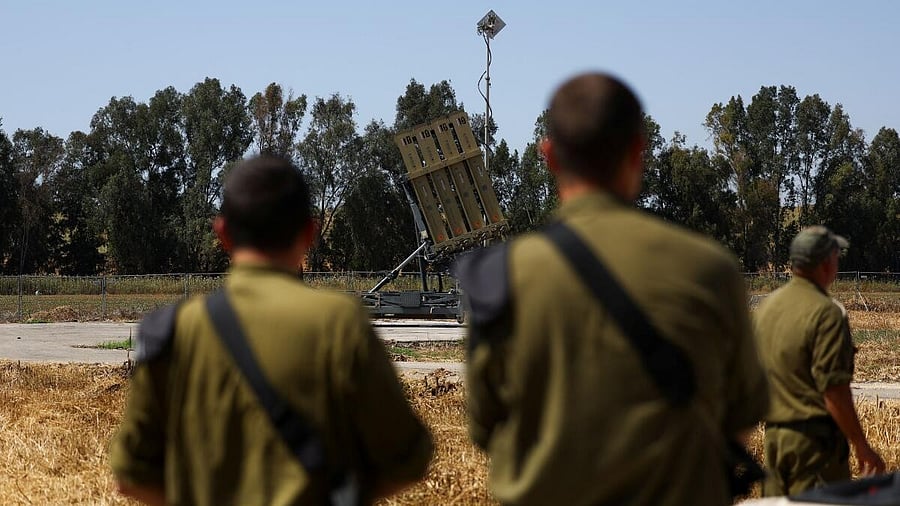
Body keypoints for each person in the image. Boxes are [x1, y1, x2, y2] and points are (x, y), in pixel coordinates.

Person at [454, 72, 769, 505]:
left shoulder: (500, 275)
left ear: (548, 155)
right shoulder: (710, 270)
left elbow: (485, 425)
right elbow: (740, 415)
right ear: (639, 149)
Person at [109, 155, 433, 505]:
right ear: (309, 232)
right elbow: (407, 458)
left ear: (222, 233)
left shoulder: (171, 331)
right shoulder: (339, 323)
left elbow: (130, 474)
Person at [755, 226, 885, 496]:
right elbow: (834, 391)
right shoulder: (827, 313)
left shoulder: (766, 308)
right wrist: (862, 445)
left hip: (774, 440)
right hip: (814, 446)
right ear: (826, 263)